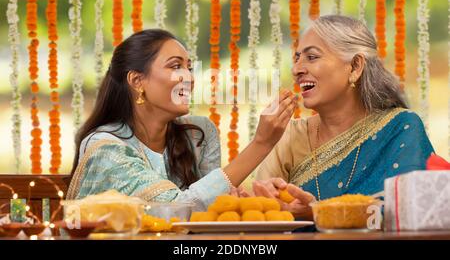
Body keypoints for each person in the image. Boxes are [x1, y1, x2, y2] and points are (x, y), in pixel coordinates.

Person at [67, 29, 297, 211]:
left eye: (189, 67)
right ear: (137, 81)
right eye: (175, 66)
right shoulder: (105, 148)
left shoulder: (198, 134)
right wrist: (261, 143)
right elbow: (178, 208)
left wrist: (244, 200)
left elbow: (210, 210)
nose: (189, 77)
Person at [254, 15, 435, 219]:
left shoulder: (400, 128)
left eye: (311, 57)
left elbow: (414, 213)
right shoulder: (288, 137)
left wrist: (321, 213)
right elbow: (260, 221)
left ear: (355, 66)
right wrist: (267, 202)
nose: (296, 70)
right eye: (296, 58)